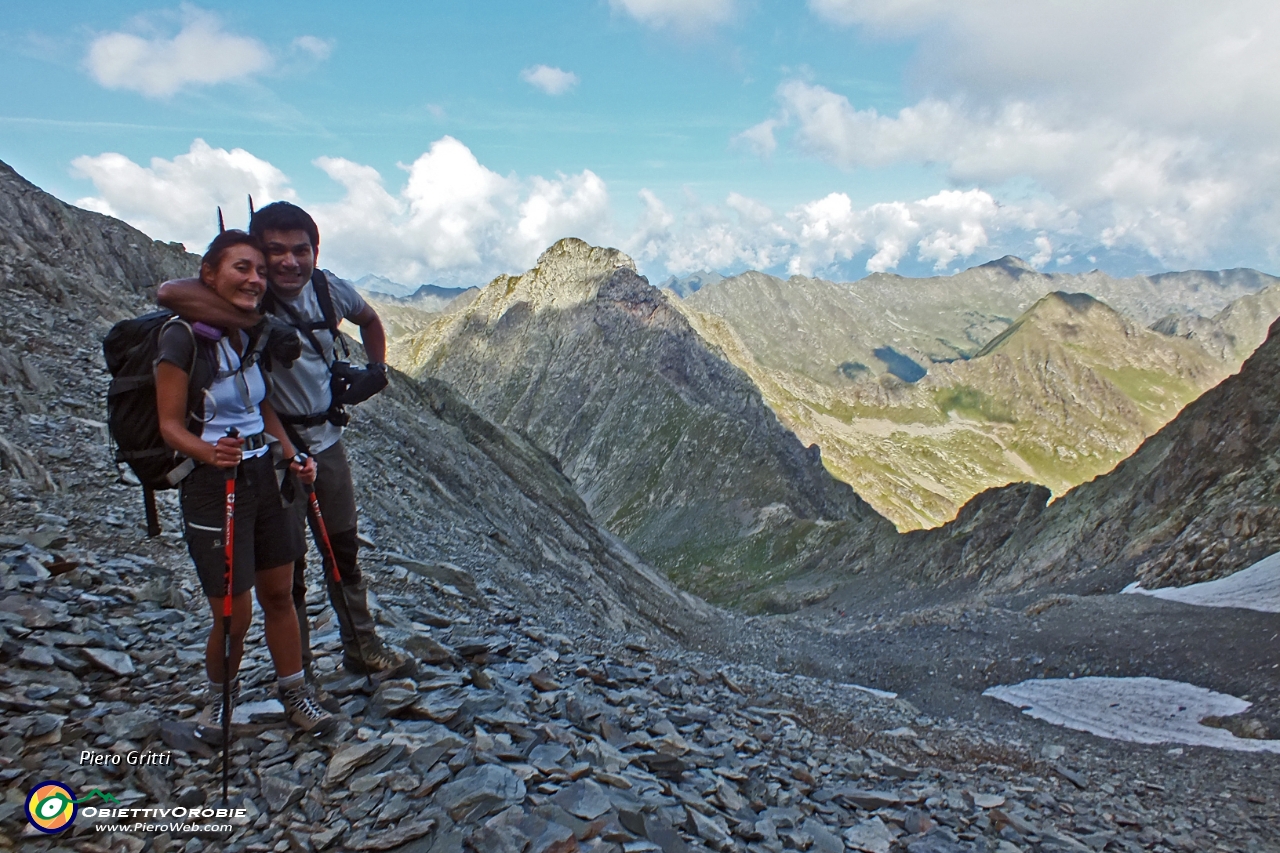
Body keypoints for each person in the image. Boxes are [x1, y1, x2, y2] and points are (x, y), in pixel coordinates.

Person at [157, 203, 413, 684]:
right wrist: (260, 324)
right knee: (286, 565)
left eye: (301, 250)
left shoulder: (327, 288)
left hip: (326, 440)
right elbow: (170, 294)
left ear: (316, 251)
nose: (289, 262)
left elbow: (370, 318)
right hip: (271, 451)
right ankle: (302, 671)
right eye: (275, 251)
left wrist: (376, 370)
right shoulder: (247, 294)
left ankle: (362, 647)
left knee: (342, 547)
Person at [155, 229, 334, 738]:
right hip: (214, 485)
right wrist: (210, 452)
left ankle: (296, 695)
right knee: (233, 613)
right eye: (242, 268)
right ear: (208, 274)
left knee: (280, 593)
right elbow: (169, 424)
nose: (255, 278)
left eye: (259, 270)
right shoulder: (181, 336)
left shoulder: (245, 334)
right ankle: (219, 703)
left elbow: (260, 405)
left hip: (260, 474)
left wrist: (292, 451)